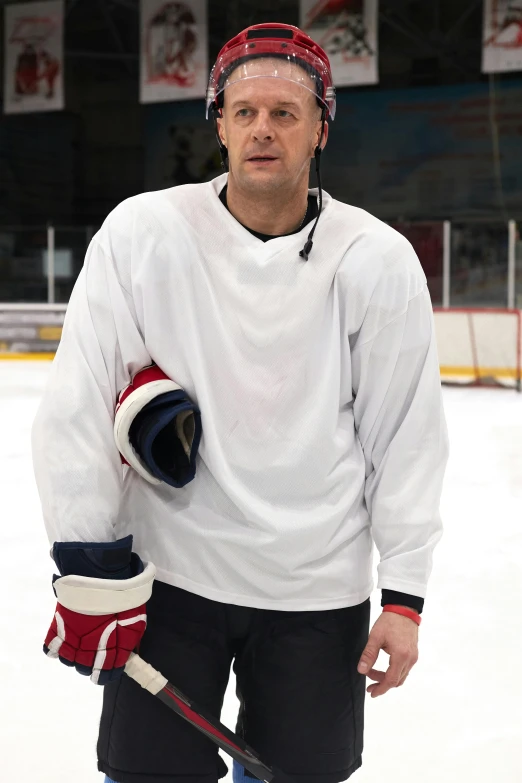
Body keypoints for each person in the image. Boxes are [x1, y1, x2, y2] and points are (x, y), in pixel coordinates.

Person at [32, 23, 449, 783]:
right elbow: (79, 402)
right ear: (218, 123)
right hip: (173, 580)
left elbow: (406, 436)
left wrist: (405, 596)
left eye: (286, 113)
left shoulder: (377, 261)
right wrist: (89, 562)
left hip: (316, 591)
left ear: (321, 128)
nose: (264, 128)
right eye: (245, 111)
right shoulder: (143, 233)